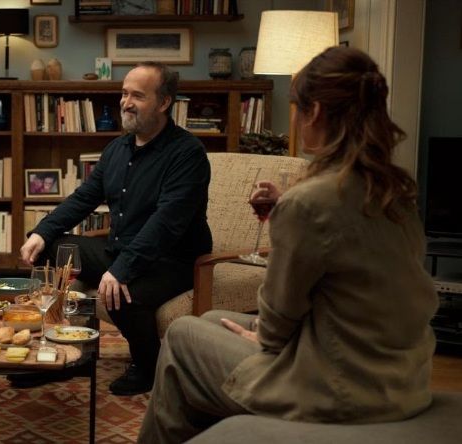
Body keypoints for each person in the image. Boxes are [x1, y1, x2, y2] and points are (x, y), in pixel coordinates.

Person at [138, 46, 439, 443]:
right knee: (210, 322)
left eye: (297, 107)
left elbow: (279, 321)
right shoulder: (394, 190)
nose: (294, 118)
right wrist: (287, 208)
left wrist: (265, 339)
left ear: (315, 113)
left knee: (181, 335)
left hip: (339, 389)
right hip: (399, 378)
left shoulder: (310, 202)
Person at [19, 62, 212, 395]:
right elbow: (84, 198)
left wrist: (120, 270)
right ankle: (66, 355)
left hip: (172, 261)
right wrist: (42, 232)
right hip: (121, 249)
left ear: (164, 102)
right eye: (124, 94)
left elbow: (166, 224)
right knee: (54, 248)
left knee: (122, 294)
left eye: (138, 95)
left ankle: (147, 367)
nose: (126, 103)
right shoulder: (117, 149)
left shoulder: (187, 154)